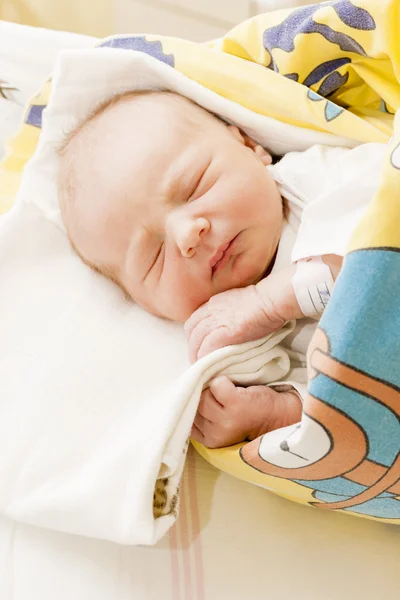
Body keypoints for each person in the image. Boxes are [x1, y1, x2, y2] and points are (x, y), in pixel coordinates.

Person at [58, 89, 381, 448]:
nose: (186, 235)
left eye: (195, 186)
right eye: (155, 256)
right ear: (146, 306)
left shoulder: (318, 180)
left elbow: (381, 250)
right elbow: (364, 417)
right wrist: (275, 412)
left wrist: (268, 302)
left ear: (248, 146)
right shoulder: (237, 350)